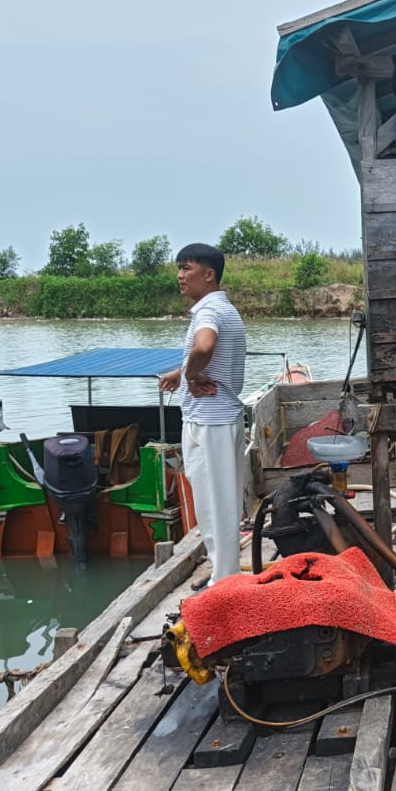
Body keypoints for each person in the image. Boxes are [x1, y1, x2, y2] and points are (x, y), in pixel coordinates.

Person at [158, 243, 247, 581]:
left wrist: (193, 375)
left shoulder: (208, 313)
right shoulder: (224, 309)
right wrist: (182, 374)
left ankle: (224, 579)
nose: (180, 276)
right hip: (212, 419)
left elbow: (205, 347)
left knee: (217, 505)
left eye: (187, 269)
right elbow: (209, 356)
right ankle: (220, 573)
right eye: (179, 269)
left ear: (208, 275)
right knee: (212, 503)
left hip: (212, 421)